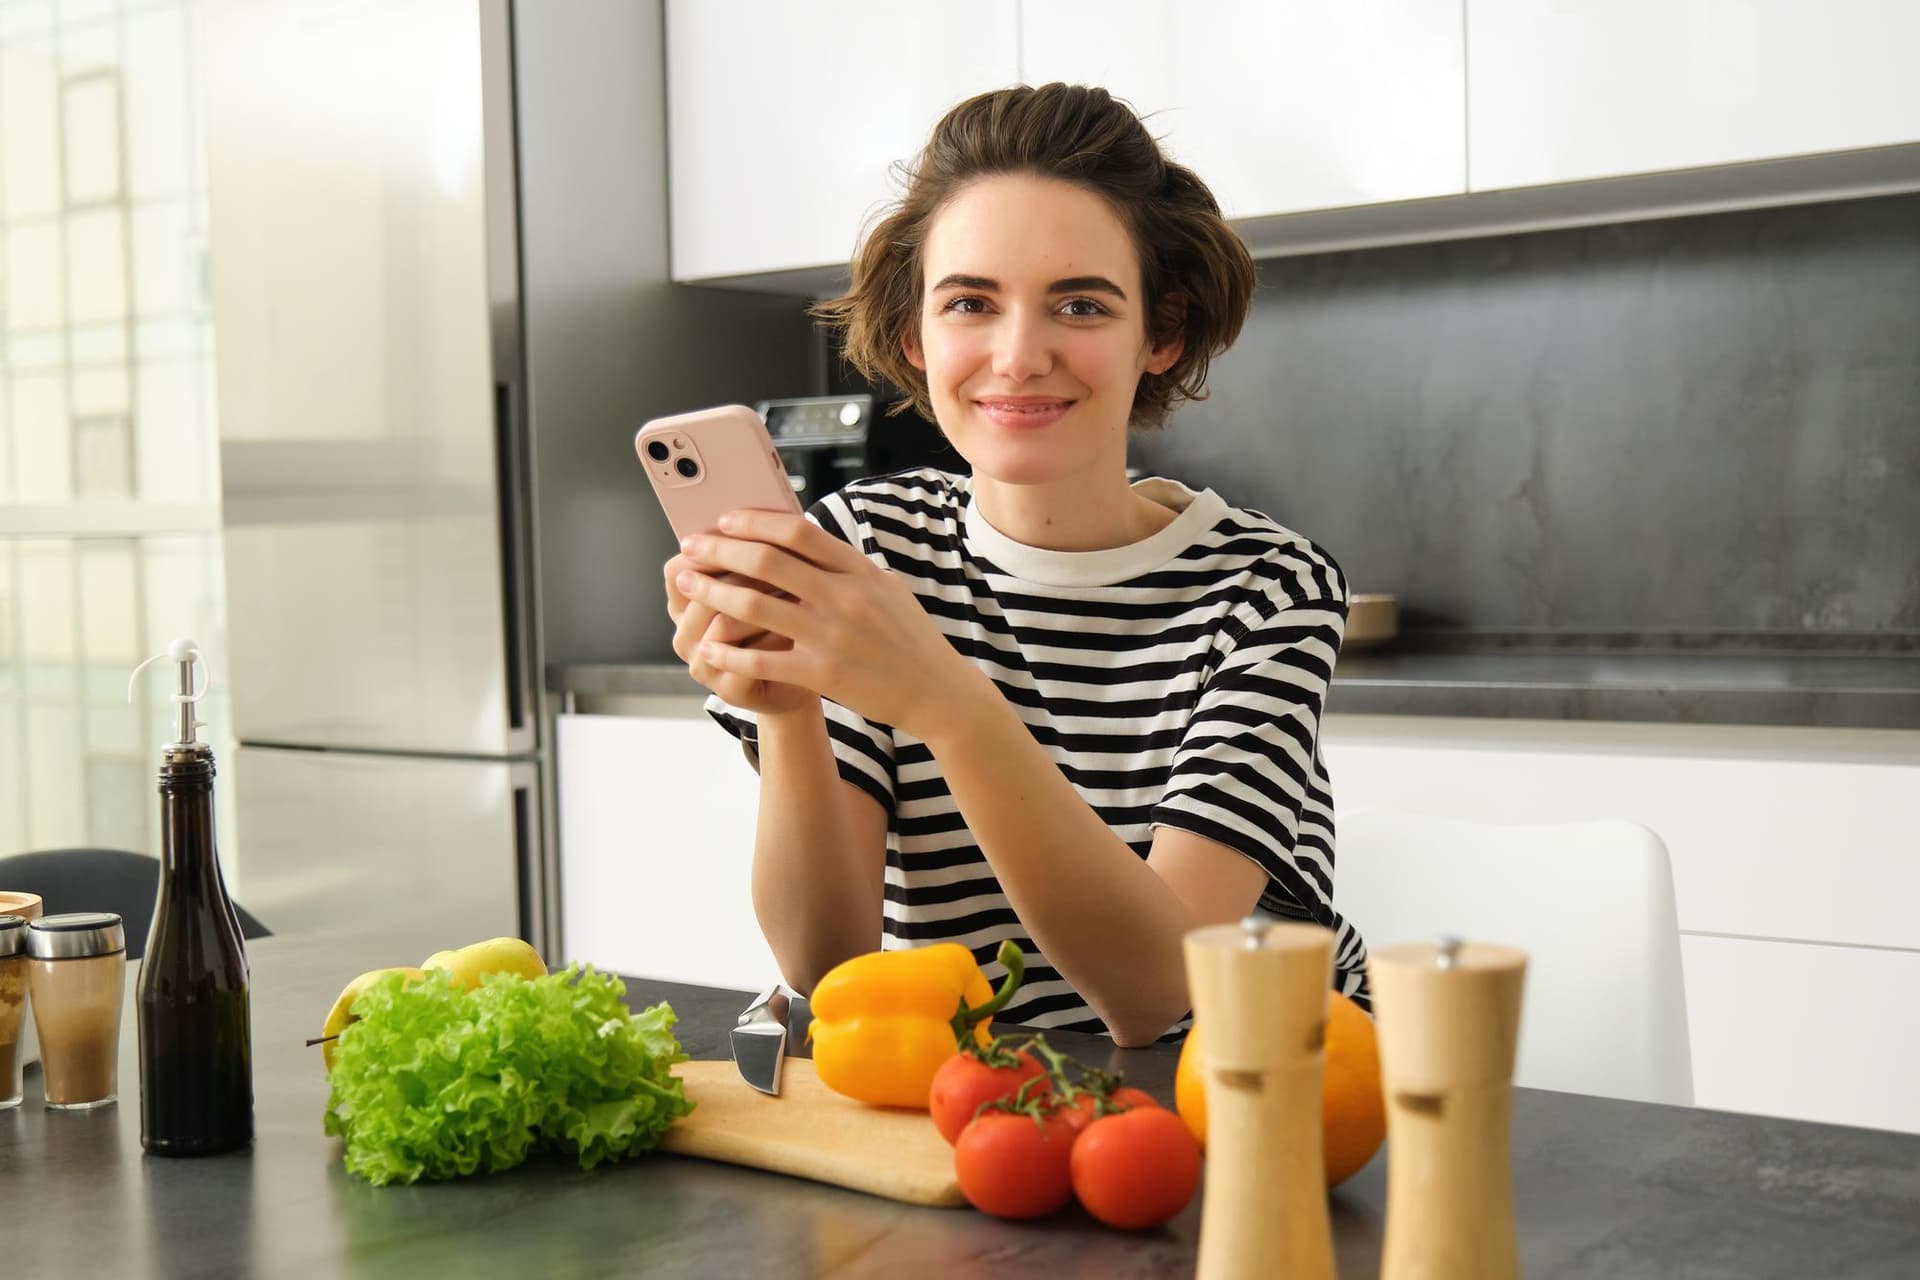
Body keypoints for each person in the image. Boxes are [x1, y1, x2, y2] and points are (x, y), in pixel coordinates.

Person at [664, 83, 1367, 1045]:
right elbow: (827, 965)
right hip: (981, 1108)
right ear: (916, 335)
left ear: (1159, 334)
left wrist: (943, 701)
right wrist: (786, 710)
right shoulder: (864, 552)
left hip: (1251, 1099)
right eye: (970, 303)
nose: (1019, 354)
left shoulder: (1268, 588)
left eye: (1079, 304)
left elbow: (1160, 992)